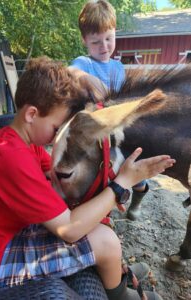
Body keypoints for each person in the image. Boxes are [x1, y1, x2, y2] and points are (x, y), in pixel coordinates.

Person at [0, 56, 175, 300]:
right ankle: (118, 294)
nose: (57, 136)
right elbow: (69, 230)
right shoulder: (11, 156)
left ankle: (115, 274)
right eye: (56, 128)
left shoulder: (23, 144)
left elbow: (59, 181)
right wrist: (122, 184)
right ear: (32, 114)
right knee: (104, 241)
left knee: (99, 230)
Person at [70, 0, 149, 221]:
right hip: (95, 136)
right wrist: (87, 79)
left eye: (109, 39)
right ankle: (101, 211)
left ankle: (138, 197)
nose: (104, 46)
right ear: (84, 40)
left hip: (120, 132)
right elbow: (70, 72)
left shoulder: (118, 67)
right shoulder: (83, 63)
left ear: (115, 33)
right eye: (96, 42)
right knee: (101, 177)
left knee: (137, 172)